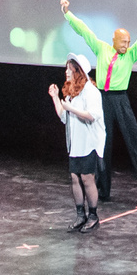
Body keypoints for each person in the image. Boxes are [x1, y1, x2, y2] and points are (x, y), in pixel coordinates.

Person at [62, 0, 137, 204]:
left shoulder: (131, 54)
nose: (126, 45)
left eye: (128, 42)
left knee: (135, 143)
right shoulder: (102, 48)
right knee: (102, 145)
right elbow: (84, 31)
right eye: (123, 42)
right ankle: (103, 190)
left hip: (120, 99)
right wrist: (68, 13)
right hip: (102, 99)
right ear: (114, 40)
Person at [51, 58, 107, 232]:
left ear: (78, 71)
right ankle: (80, 215)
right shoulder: (72, 92)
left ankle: (93, 216)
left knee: (87, 178)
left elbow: (92, 115)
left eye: (70, 69)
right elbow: (64, 117)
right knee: (75, 177)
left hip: (89, 142)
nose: (66, 72)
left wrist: (71, 109)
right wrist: (55, 98)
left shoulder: (91, 91)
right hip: (75, 143)